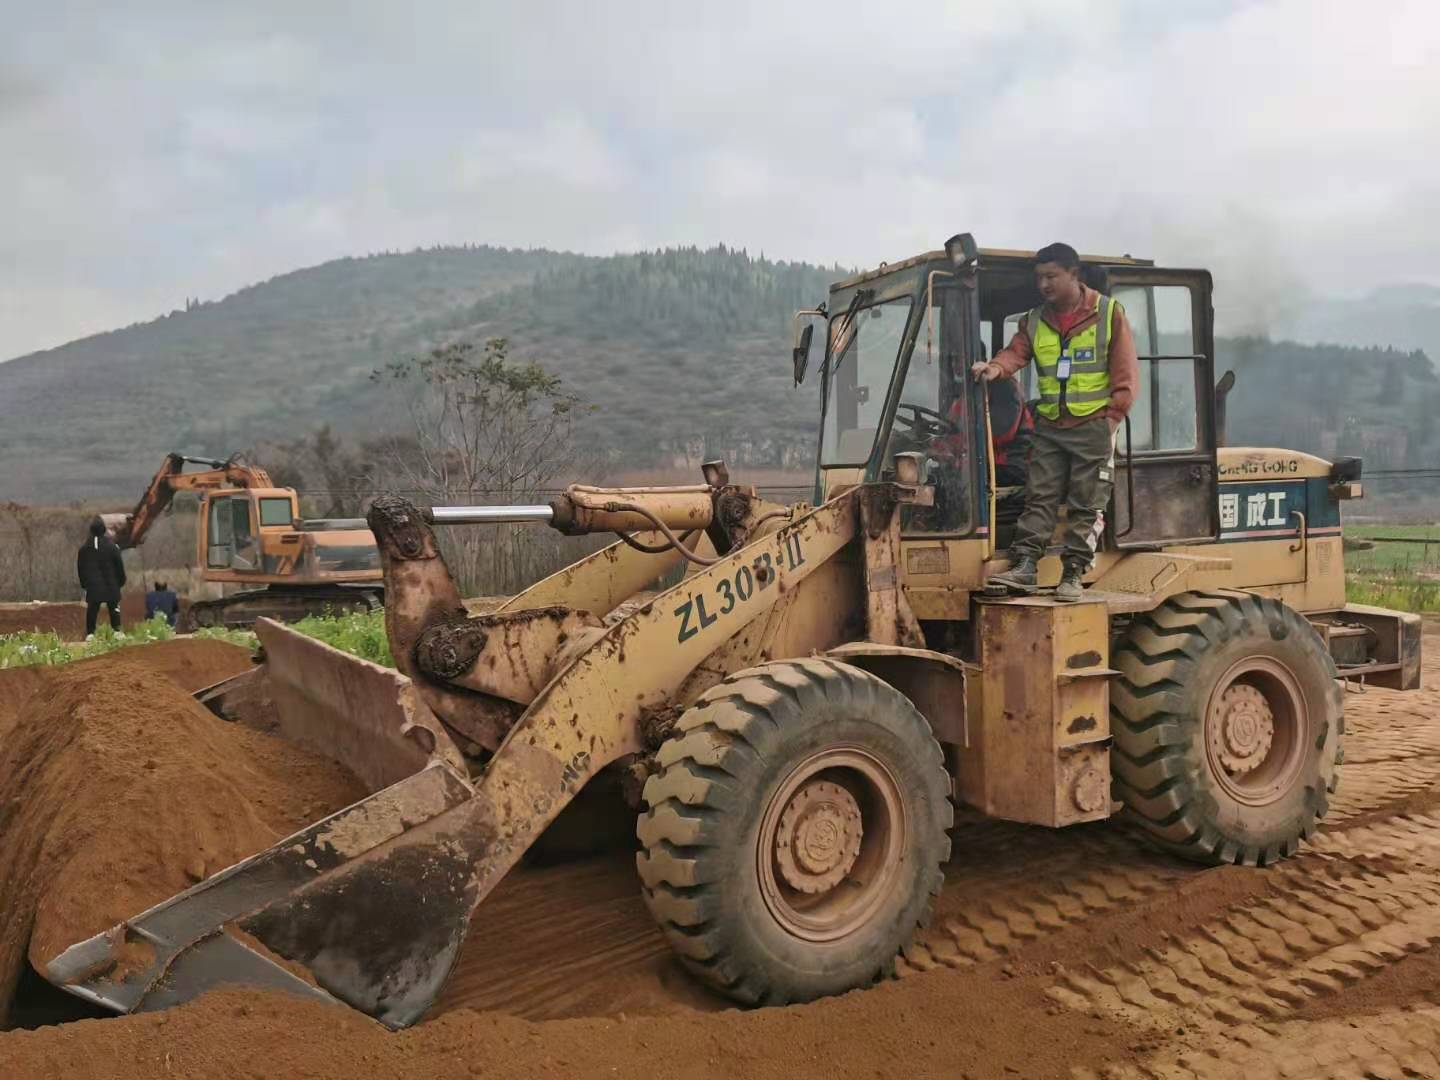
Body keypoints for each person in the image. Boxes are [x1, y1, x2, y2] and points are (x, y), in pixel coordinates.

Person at [972, 242, 1137, 601]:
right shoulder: (1034, 320)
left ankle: (1073, 574)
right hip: (1049, 426)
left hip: (1093, 425)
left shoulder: (1109, 314)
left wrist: (1112, 418)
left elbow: (1125, 373)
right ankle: (1026, 564)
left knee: (1086, 501)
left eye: (1051, 276)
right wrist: (996, 368)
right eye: (1039, 278)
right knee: (1039, 496)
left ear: (1073, 275)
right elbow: (1016, 353)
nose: (1044, 284)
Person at [76, 518, 126, 635]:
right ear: (104, 530)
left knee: (92, 611)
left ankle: (90, 634)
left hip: (93, 587)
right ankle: (117, 632)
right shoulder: (113, 547)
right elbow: (119, 566)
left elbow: (80, 569)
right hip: (112, 585)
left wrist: (85, 584)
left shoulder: (84, 549)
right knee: (114, 609)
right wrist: (121, 582)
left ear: (91, 531)